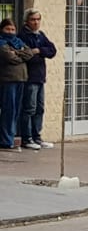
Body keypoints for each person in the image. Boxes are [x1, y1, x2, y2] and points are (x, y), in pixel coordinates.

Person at [18, 9, 57, 150]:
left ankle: (37, 137)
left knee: (39, 108)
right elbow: (27, 56)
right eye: (33, 19)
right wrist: (37, 53)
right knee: (29, 108)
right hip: (29, 77)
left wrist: (40, 50)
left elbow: (52, 50)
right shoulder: (23, 36)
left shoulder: (40, 35)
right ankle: (27, 138)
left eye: (38, 19)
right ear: (27, 21)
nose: (36, 22)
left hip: (40, 77)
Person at [0, 19, 34, 152]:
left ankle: (11, 137)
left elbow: (29, 53)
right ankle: (6, 140)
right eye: (7, 29)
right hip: (8, 80)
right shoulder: (2, 43)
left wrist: (18, 52)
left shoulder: (18, 42)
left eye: (13, 29)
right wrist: (20, 54)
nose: (10, 32)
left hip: (21, 79)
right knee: (9, 110)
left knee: (15, 111)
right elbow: (9, 57)